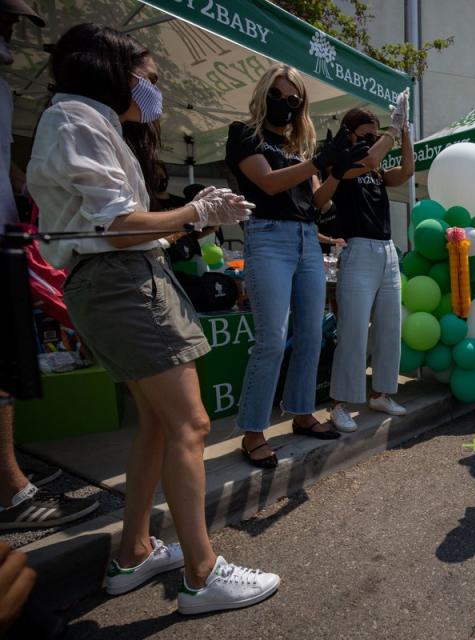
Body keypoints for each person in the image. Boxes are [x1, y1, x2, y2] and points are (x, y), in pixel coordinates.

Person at [28, 23, 278, 614]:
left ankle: (134, 552)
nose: (154, 91)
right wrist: (194, 210)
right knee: (190, 423)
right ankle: (202, 572)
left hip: (121, 280)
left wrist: (194, 215)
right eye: (150, 79)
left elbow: (116, 220)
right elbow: (116, 226)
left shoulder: (88, 121)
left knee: (159, 424)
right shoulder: (78, 120)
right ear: (112, 70)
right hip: (122, 281)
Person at [227, 63, 370, 466]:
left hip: (307, 238)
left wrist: (337, 171)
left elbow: (319, 202)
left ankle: (302, 412)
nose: (285, 104)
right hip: (268, 236)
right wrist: (318, 161)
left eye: (294, 99)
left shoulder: (298, 149)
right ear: (263, 93)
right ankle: (253, 431)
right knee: (272, 337)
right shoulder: (244, 134)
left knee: (310, 333)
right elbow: (269, 183)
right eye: (278, 94)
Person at [0, 0, 100, 532]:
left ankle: (13, 490)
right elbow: (115, 215)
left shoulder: (9, 93)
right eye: (7, 16)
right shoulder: (69, 120)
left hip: (11, 242)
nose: (13, 30)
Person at [323, 94, 413, 433]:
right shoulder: (343, 164)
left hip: (387, 250)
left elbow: (406, 171)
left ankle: (380, 392)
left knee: (390, 327)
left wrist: (404, 132)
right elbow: (373, 158)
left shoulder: (376, 172)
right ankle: (339, 403)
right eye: (365, 134)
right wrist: (390, 130)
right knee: (354, 331)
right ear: (350, 133)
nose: (372, 141)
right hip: (358, 250)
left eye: (374, 135)